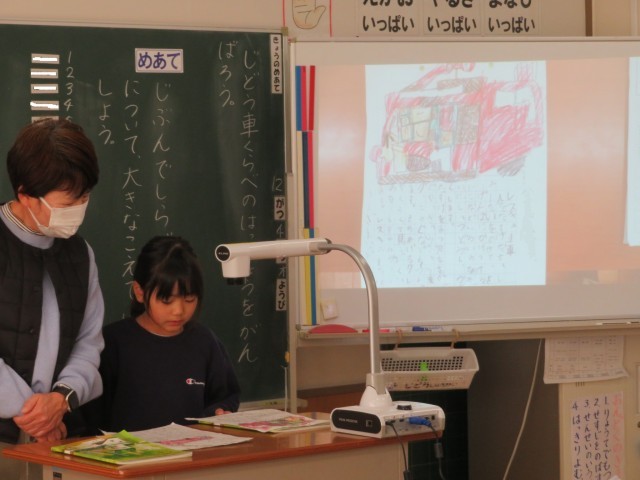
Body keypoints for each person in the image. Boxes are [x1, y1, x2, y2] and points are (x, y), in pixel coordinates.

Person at [0, 119, 104, 478]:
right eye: (68, 202)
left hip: (58, 437)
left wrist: (60, 400)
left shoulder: (80, 254)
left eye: (84, 198)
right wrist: (34, 413)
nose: (79, 208)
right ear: (26, 194)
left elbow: (88, 342)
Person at [86, 235, 240, 433]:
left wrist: (220, 411)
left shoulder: (205, 342)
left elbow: (226, 396)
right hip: (129, 451)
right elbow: (90, 418)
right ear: (140, 292)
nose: (178, 311)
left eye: (189, 299)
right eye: (166, 300)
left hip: (193, 448)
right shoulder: (112, 344)